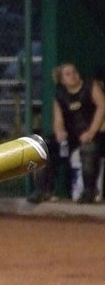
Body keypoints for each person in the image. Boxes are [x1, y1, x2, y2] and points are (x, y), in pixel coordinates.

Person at [31, 62, 105, 204]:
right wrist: (60, 132)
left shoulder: (90, 86)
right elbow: (58, 119)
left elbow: (102, 107)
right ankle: (42, 190)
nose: (73, 76)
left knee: (88, 149)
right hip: (72, 135)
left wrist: (91, 132)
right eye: (68, 74)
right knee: (43, 146)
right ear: (62, 80)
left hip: (96, 134)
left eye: (74, 72)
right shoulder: (60, 94)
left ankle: (89, 191)